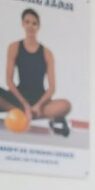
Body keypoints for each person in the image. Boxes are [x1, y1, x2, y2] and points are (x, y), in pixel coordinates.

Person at [0, 8, 72, 137]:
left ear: (38, 26)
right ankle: (24, 112)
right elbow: (9, 81)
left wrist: (38, 105)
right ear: (22, 24)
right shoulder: (14, 47)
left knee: (65, 105)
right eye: (27, 22)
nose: (30, 26)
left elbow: (52, 88)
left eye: (34, 23)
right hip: (18, 97)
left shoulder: (47, 53)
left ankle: (25, 114)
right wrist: (25, 105)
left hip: (40, 100)